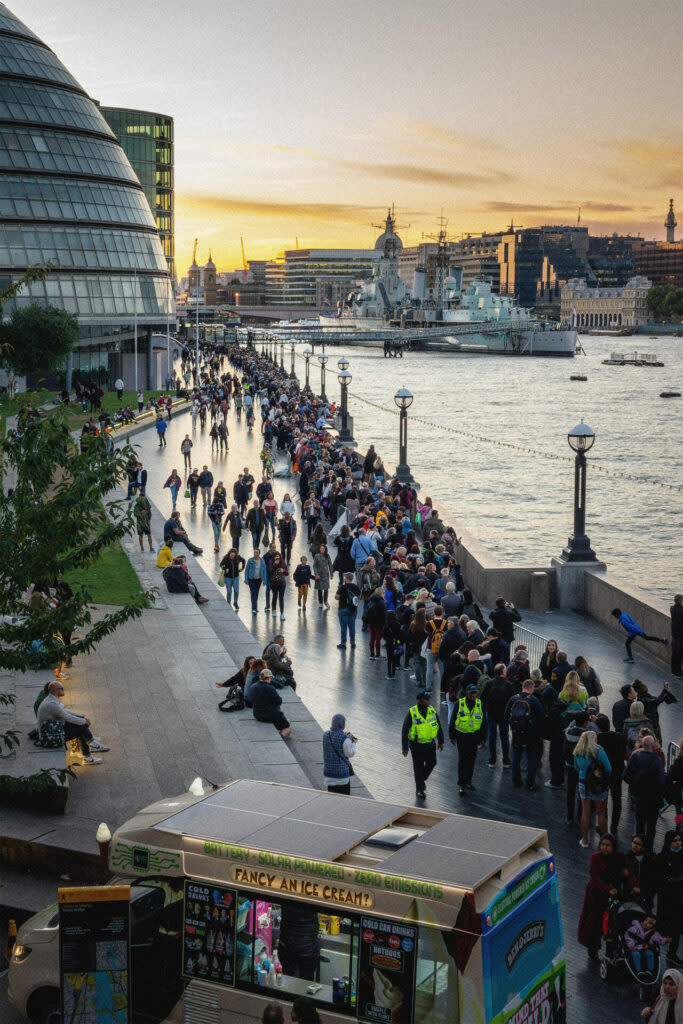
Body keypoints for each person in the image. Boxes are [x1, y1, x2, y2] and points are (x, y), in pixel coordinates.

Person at [578, 833, 632, 958]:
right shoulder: (595, 857)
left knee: (612, 925)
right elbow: (595, 877)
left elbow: (627, 873)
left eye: (608, 845)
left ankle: (610, 952)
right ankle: (593, 949)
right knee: (594, 924)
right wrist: (608, 889)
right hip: (596, 895)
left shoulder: (620, 858)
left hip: (613, 896)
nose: (604, 847)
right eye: (602, 844)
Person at [36, 680, 109, 765]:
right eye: (61, 688)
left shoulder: (51, 699)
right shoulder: (52, 704)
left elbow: (65, 712)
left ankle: (89, 745)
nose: (63, 690)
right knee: (80, 728)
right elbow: (67, 717)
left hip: (53, 730)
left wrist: (82, 717)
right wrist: (83, 721)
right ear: (54, 691)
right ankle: (90, 748)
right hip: (50, 737)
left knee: (80, 724)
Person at [624, 735, 666, 852]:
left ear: (642, 744)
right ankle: (649, 849)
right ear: (653, 746)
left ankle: (638, 847)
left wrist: (634, 785)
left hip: (639, 797)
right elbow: (661, 781)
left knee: (640, 823)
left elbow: (625, 775)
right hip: (653, 799)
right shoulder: (657, 760)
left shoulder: (635, 757)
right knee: (651, 826)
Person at [401, 690, 444, 800]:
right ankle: (419, 789)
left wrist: (441, 741)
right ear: (420, 700)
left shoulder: (431, 710)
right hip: (417, 746)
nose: (429, 700)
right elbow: (405, 730)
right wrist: (405, 747)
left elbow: (438, 726)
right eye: (427, 699)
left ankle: (421, 779)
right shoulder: (412, 712)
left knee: (432, 762)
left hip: (430, 744)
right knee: (418, 768)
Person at [504, 678, 544, 791]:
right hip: (531, 734)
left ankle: (516, 780)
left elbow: (506, 714)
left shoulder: (513, 698)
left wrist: (512, 726)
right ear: (531, 688)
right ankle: (530, 782)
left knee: (516, 756)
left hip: (517, 733)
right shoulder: (534, 700)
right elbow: (541, 715)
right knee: (532, 758)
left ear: (523, 687)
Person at [574, 730, 611, 848]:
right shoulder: (599, 751)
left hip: (583, 783)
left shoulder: (578, 751)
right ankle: (604, 841)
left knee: (585, 812)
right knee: (601, 813)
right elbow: (609, 768)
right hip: (597, 785)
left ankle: (585, 840)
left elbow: (577, 767)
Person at [449, 683, 486, 797]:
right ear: (467, 693)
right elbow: (453, 719)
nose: (474, 695)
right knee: (463, 760)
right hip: (462, 737)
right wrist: (452, 736)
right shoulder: (459, 704)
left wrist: (483, 738)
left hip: (474, 737)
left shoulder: (480, 705)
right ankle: (461, 784)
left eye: (475, 692)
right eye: (472, 693)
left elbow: (484, 723)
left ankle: (468, 781)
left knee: (471, 760)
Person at [596, 714, 626, 833]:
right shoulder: (619, 737)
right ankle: (614, 826)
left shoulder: (598, 739)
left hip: (603, 773)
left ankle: (603, 824)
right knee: (617, 798)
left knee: (603, 799)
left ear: (598, 727)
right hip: (617, 771)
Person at [656, 836, 683, 968]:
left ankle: (672, 954)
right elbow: (660, 877)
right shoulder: (663, 857)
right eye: (675, 840)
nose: (678, 843)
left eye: (679, 840)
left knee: (676, 928)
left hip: (679, 899)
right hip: (666, 899)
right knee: (663, 927)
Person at [481, 663, 513, 768]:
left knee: (492, 737)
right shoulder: (508, 684)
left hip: (491, 714)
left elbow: (482, 698)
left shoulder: (489, 683)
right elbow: (512, 700)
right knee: (504, 738)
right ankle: (506, 761)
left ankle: (492, 760)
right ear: (503, 672)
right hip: (504, 715)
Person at [625, 913, 669, 978]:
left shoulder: (653, 933)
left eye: (650, 923)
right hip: (633, 948)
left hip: (645, 948)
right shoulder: (635, 928)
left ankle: (650, 970)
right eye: (646, 920)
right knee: (636, 954)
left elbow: (659, 939)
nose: (646, 923)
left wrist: (665, 940)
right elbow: (628, 936)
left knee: (650, 953)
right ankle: (639, 970)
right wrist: (631, 945)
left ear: (653, 926)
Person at [250, 668, 291, 738]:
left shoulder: (253, 686)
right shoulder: (270, 688)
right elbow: (279, 701)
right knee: (288, 728)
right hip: (270, 715)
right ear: (268, 678)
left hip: (257, 714)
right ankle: (280, 737)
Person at [322, 713, 357, 794]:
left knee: (332, 800)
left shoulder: (326, 735)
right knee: (344, 801)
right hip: (342, 777)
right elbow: (350, 754)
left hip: (329, 776)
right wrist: (354, 743)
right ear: (342, 724)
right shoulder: (345, 739)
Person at [336, 571, 360, 650]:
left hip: (343, 609)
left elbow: (336, 597)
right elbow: (360, 597)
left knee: (343, 627)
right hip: (353, 610)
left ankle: (343, 643)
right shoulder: (356, 587)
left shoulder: (342, 587)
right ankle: (352, 643)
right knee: (352, 626)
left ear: (346, 578)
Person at [245, 547, 268, 614]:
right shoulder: (250, 560)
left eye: (257, 553)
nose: (255, 554)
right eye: (254, 552)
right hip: (251, 579)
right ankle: (254, 609)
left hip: (259, 579)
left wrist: (264, 580)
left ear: (259, 553)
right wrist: (246, 579)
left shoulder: (262, 561)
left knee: (256, 593)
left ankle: (255, 607)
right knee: (253, 593)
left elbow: (264, 571)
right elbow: (246, 570)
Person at [312, 544, 332, 608]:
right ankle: (320, 602)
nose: (322, 549)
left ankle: (325, 601)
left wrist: (331, 574)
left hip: (326, 575)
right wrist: (316, 574)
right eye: (321, 548)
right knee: (320, 589)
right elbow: (314, 566)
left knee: (326, 589)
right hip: (319, 575)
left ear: (325, 549)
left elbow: (330, 565)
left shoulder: (327, 556)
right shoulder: (316, 556)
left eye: (323, 548)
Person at [672, 595, 683, 678]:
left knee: (675, 653)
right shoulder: (681, 610)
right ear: (680, 601)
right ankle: (678, 672)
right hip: (680, 636)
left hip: (675, 635)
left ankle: (674, 671)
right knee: (679, 654)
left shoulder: (672, 608)